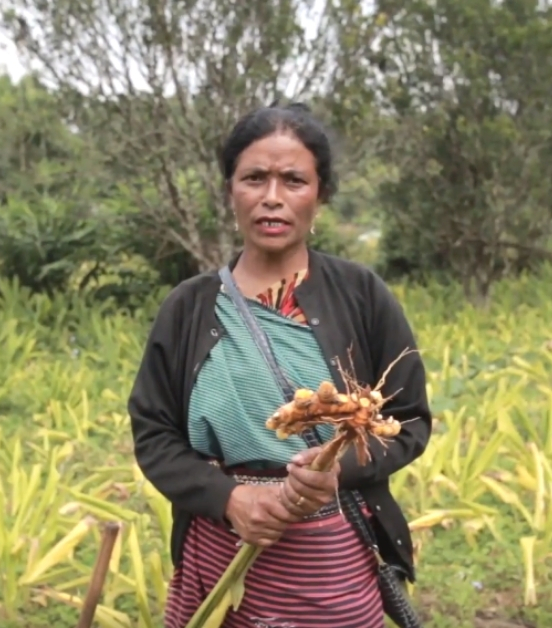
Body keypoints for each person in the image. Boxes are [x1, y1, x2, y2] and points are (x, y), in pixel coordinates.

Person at [128, 102, 432, 628]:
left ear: (321, 194)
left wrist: (338, 469)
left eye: (293, 180)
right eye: (254, 178)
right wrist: (230, 497)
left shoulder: (360, 295)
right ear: (230, 191)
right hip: (223, 547)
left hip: (330, 559)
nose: (272, 197)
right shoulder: (190, 307)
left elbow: (406, 419)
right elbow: (154, 432)